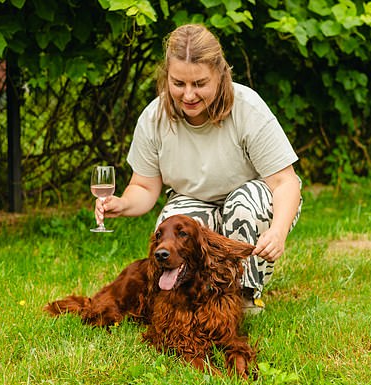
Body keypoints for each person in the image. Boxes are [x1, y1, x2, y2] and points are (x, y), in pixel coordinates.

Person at [95, 23, 302, 314]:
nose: (189, 95)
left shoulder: (248, 109)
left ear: (220, 75)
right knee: (172, 224)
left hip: (251, 205)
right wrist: (122, 203)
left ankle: (243, 295)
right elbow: (144, 187)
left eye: (200, 83)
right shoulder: (154, 118)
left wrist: (278, 231)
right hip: (195, 203)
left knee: (246, 203)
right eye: (179, 84)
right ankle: (194, 297)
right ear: (166, 77)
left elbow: (285, 182)